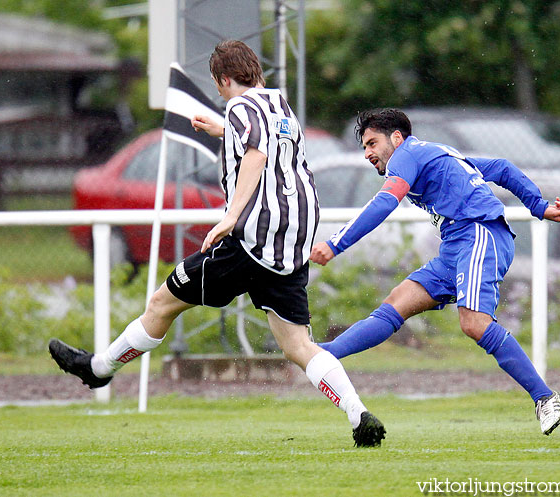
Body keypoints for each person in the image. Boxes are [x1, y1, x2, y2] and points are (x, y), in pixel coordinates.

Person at [49, 40, 385, 448]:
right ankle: (359, 415)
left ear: (224, 79)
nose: (222, 95)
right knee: (298, 345)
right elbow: (270, 143)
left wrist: (230, 216)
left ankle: (98, 368)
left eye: (219, 87)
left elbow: (257, 155)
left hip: (250, 241)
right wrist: (222, 131)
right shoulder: (280, 105)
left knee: (161, 303)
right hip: (290, 245)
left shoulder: (240, 108)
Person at [310, 108, 560, 436]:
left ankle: (544, 397)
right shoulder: (436, 153)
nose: (367, 154)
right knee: (397, 303)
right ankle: (322, 355)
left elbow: (383, 203)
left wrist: (336, 244)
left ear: (396, 138)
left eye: (372, 143)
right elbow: (502, 168)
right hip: (456, 247)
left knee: (474, 323)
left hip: (479, 234)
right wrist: (537, 205)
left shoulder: (406, 155)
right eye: (364, 147)